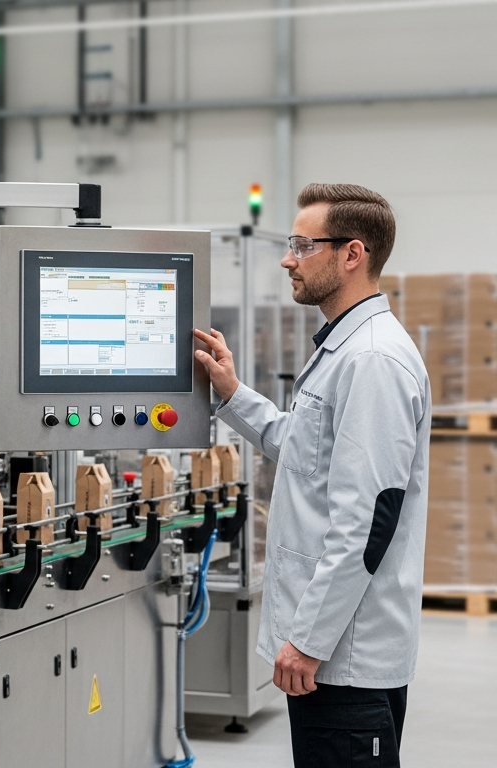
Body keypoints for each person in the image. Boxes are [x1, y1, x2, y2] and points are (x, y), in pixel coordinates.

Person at [192, 183, 429, 768]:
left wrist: (309, 641)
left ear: (352, 254)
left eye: (303, 245)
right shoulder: (345, 349)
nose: (287, 259)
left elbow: (366, 523)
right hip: (331, 653)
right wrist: (232, 393)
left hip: (344, 658)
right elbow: (302, 448)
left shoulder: (372, 360)